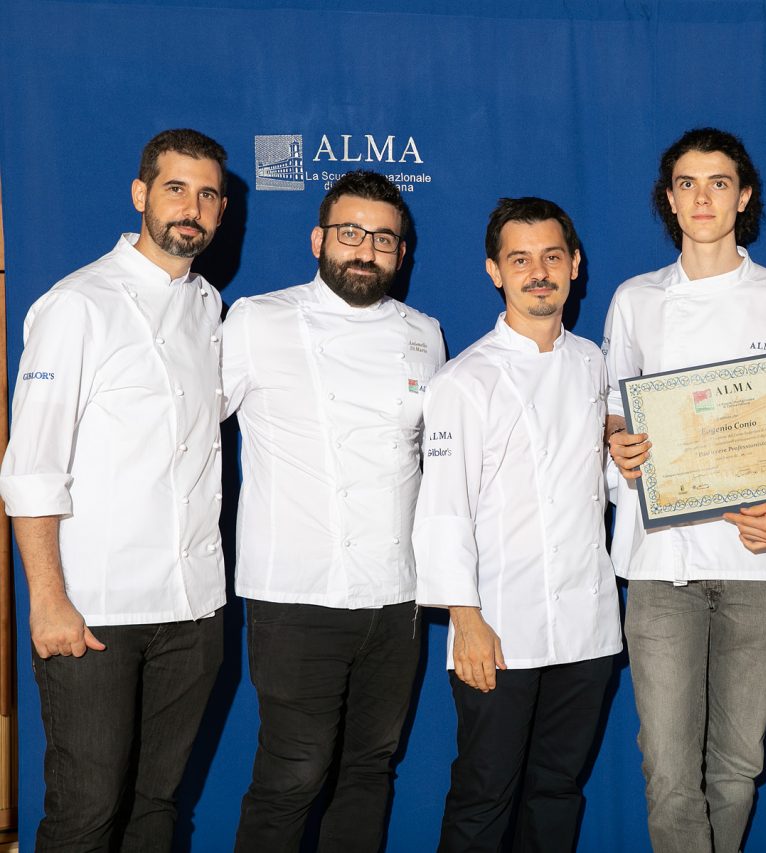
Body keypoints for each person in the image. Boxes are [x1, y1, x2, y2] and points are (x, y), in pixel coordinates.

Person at [0, 128, 229, 850]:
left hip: (193, 609)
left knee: (158, 806)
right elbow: (31, 467)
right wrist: (48, 600)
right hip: (95, 610)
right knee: (86, 811)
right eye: (175, 188)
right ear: (140, 195)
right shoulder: (77, 305)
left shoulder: (208, 306)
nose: (190, 207)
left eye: (207, 194)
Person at [605, 127, 766, 853]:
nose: (703, 197)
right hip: (661, 560)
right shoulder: (635, 301)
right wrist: (620, 446)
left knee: (737, 766)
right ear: (669, 199)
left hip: (757, 562)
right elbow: (613, 411)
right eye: (688, 184)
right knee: (668, 769)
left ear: (744, 195)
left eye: (719, 182)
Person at [223, 170, 445, 852]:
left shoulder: (424, 333)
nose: (365, 249)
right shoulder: (256, 320)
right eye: (350, 233)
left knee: (369, 769)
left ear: (400, 253)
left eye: (383, 238)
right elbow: (183, 427)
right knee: (292, 772)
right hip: (296, 592)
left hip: (395, 595)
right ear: (320, 238)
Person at [415, 197, 621, 851]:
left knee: (557, 793)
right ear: (494, 271)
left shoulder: (595, 363)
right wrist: (465, 616)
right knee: (484, 795)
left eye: (552, 257)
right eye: (521, 259)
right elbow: (443, 505)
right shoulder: (463, 379)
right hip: (499, 626)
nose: (539, 272)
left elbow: (604, 483)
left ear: (575, 266)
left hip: (586, 627)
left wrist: (636, 460)